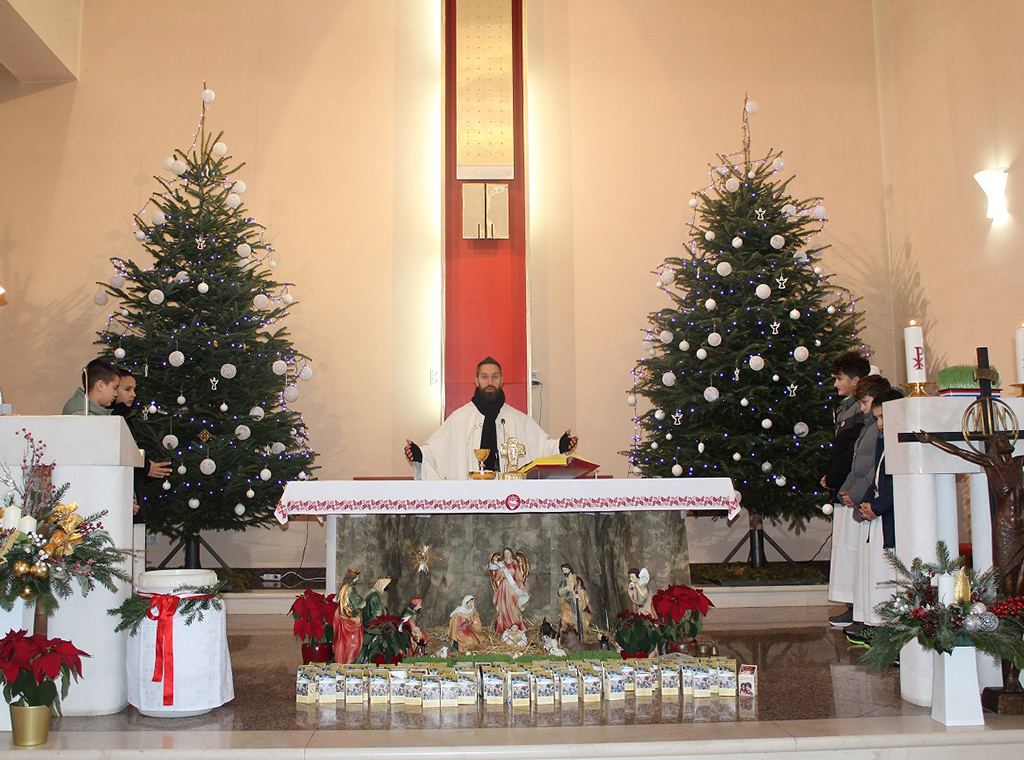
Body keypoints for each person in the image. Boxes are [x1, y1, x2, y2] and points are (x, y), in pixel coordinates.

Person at [404, 357, 578, 480]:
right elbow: (436, 452)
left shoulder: (517, 419)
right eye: (484, 377)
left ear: (501, 381)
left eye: (495, 376)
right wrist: (420, 455)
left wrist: (560, 446)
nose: (490, 382)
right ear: (476, 381)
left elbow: (542, 447)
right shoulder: (460, 419)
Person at [820, 351, 871, 628]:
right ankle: (852, 606)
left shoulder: (861, 413)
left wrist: (841, 480)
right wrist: (830, 477)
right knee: (844, 549)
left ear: (856, 380)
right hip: (843, 488)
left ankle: (859, 609)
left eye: (840, 379)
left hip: (853, 490)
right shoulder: (846, 409)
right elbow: (840, 451)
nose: (836, 384)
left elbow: (856, 454)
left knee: (853, 551)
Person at [847, 389, 902, 645]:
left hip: (891, 519)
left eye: (883, 418)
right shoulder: (884, 442)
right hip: (878, 516)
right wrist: (866, 502)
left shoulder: (903, 444)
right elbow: (876, 478)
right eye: (878, 418)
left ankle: (888, 628)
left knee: (888, 576)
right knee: (876, 574)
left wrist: (876, 507)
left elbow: (899, 487)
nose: (880, 424)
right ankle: (876, 624)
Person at [110, 368, 172, 522]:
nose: (133, 395)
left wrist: (147, 469)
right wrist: (145, 467)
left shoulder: (125, 416)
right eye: (127, 389)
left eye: (134, 389)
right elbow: (119, 454)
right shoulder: (113, 419)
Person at [488, 547, 529, 633]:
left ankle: (516, 626)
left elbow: (518, 577)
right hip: (503, 588)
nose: (507, 555)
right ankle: (503, 628)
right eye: (505, 553)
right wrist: (500, 572)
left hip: (512, 589)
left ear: (511, 554)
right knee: (503, 607)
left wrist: (521, 586)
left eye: (508, 553)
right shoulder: (501, 564)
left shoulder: (515, 564)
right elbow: (497, 578)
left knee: (513, 606)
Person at [333, 568, 366, 665]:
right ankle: (348, 664)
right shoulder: (351, 589)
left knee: (344, 644)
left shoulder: (343, 588)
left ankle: (344, 663)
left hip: (343, 618)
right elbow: (361, 604)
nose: (357, 579)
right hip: (351, 620)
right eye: (356, 578)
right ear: (352, 579)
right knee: (353, 645)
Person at [557, 563, 592, 637]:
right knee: (564, 621)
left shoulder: (577, 580)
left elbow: (582, 590)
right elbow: (560, 592)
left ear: (570, 569)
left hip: (576, 604)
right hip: (566, 605)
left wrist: (579, 595)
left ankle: (578, 637)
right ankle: (564, 637)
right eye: (563, 570)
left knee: (577, 621)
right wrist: (565, 588)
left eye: (565, 570)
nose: (564, 572)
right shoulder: (564, 581)